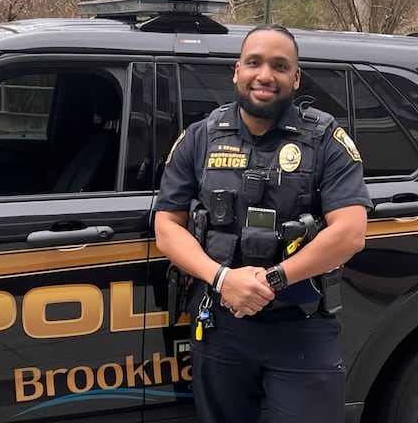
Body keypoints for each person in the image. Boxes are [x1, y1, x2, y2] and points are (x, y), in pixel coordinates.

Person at [153, 24, 372, 423]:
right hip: (220, 323)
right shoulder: (200, 138)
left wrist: (270, 281)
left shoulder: (324, 139)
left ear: (296, 77)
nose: (265, 75)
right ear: (236, 71)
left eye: (279, 65)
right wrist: (222, 279)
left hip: (300, 327)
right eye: (254, 63)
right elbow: (167, 225)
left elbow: (351, 232)